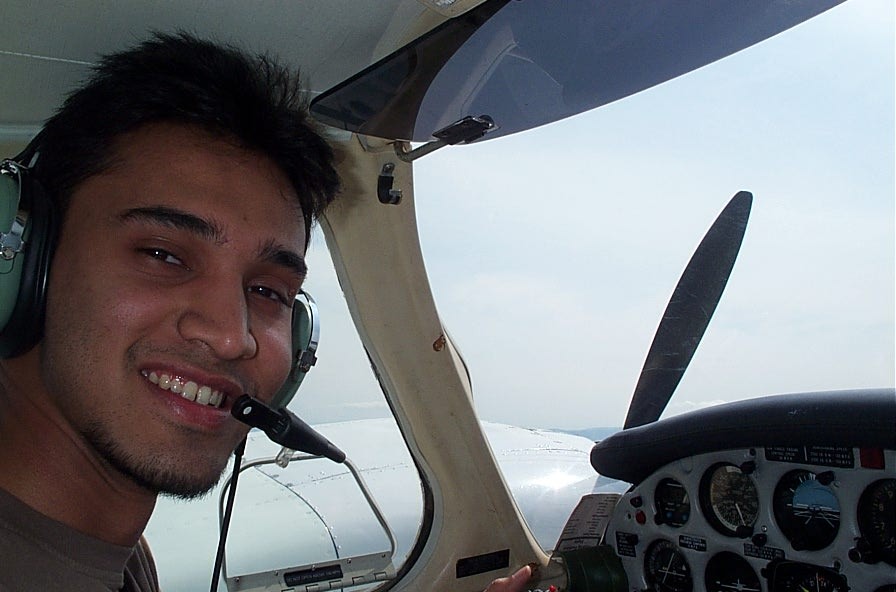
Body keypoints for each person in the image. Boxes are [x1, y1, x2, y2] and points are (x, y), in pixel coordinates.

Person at [0, 33, 531, 592]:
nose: (232, 336)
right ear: (23, 259)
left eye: (268, 292)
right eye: (163, 254)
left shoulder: (106, 551)